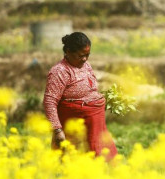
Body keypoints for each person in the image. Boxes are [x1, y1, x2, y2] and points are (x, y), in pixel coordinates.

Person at [43, 31, 117, 161]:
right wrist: (57, 130)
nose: (84, 59)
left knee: (100, 158)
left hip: (95, 123)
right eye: (80, 55)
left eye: (87, 55)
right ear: (68, 52)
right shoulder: (59, 71)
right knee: (77, 160)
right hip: (76, 125)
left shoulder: (85, 65)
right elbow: (50, 101)